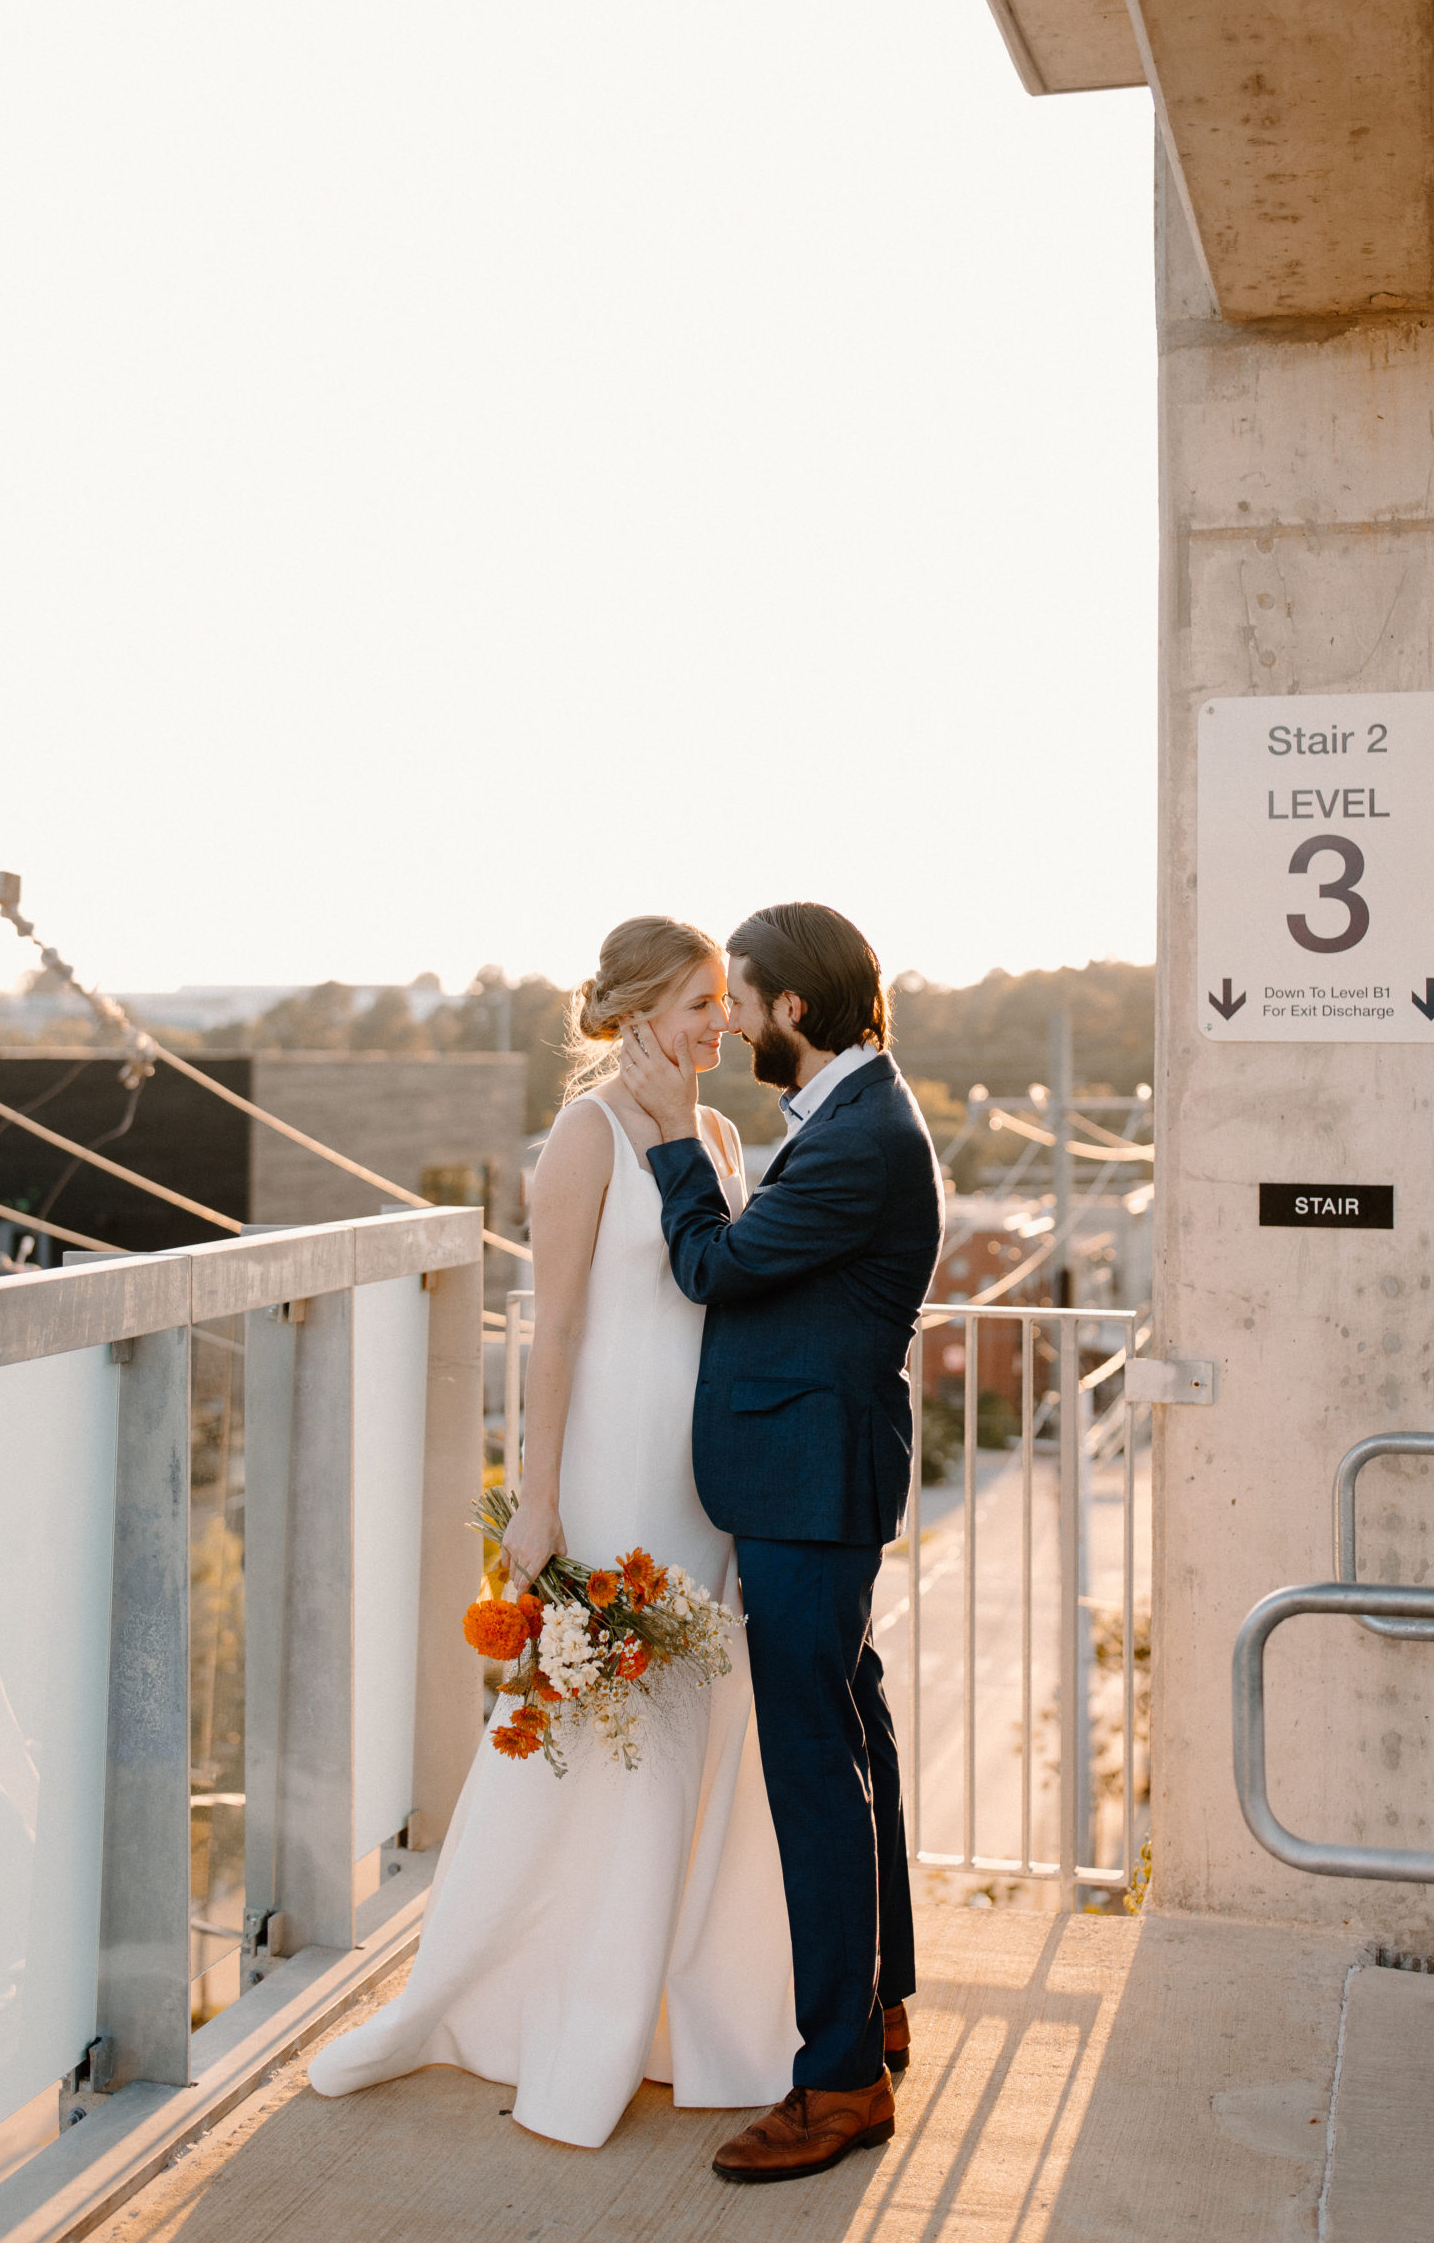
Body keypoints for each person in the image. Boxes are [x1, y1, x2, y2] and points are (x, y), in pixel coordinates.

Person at [309, 916, 796, 2147]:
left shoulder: (717, 1134)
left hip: (698, 1475)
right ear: (635, 1013)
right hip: (612, 1469)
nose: (721, 1022)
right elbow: (559, 1326)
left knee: (692, 1728)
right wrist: (537, 1497)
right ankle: (552, 2005)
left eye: (724, 1000)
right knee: (598, 1728)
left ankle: (673, 2012)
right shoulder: (582, 1136)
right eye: (699, 1002)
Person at [620, 900, 944, 2184]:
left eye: (742, 999)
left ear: (791, 1009)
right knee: (853, 1733)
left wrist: (668, 1138)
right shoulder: (853, 1111)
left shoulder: (858, 1139)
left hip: (812, 1487)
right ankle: (883, 2005)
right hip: (815, 1477)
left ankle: (841, 2080)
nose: (733, 1019)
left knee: (815, 1770)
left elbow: (715, 1267)